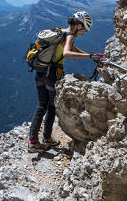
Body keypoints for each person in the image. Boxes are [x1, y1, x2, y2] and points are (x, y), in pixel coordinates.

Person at [28, 11, 104, 152]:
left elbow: (71, 47)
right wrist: (89, 56)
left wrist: (90, 56)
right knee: (51, 107)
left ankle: (33, 141)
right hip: (51, 76)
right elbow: (67, 53)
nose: (84, 33)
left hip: (40, 72)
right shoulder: (69, 36)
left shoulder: (61, 33)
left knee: (41, 106)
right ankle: (46, 138)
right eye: (84, 29)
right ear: (79, 25)